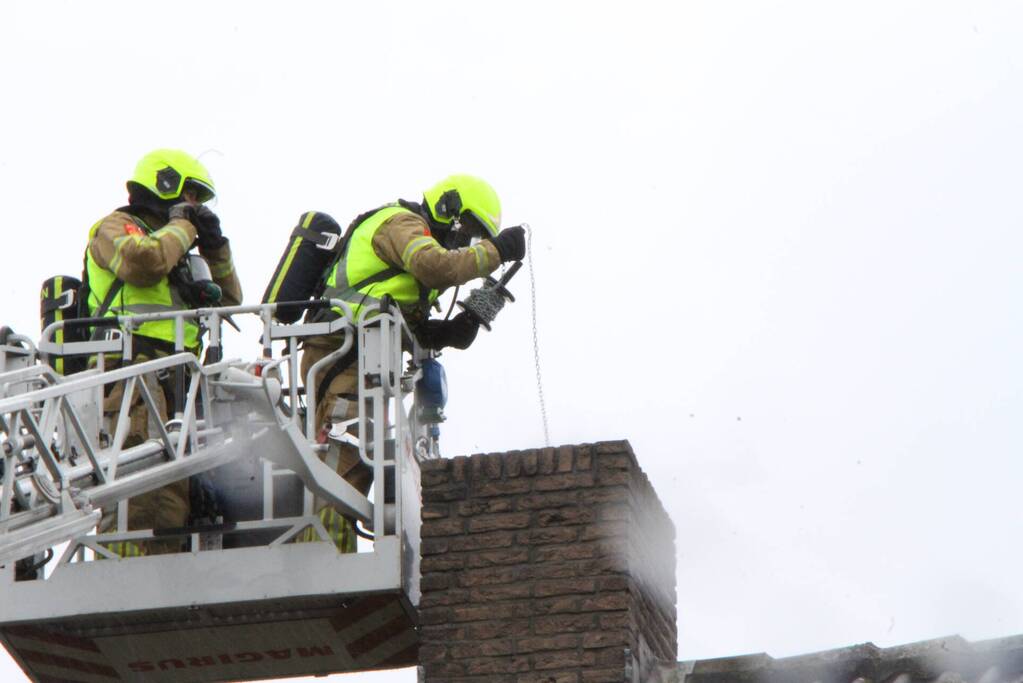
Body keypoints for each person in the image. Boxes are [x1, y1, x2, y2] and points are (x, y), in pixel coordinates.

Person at [297, 174, 525, 549]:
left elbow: (412, 328)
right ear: (448, 208)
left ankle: (330, 556)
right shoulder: (401, 223)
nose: (466, 243)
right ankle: (320, 560)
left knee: (356, 462)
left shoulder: (417, 262)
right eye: (467, 232)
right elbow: (435, 265)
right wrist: (497, 251)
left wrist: (450, 331)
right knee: (344, 461)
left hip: (364, 361)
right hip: (341, 353)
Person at [88, 148, 242, 555]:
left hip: (178, 379)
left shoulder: (181, 250)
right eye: (188, 197)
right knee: (142, 487)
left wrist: (216, 247)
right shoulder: (116, 226)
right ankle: (127, 574)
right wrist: (182, 227)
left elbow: (229, 302)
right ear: (165, 184)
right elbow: (144, 263)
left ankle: (160, 569)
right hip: (132, 373)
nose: (192, 207)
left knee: (174, 492)